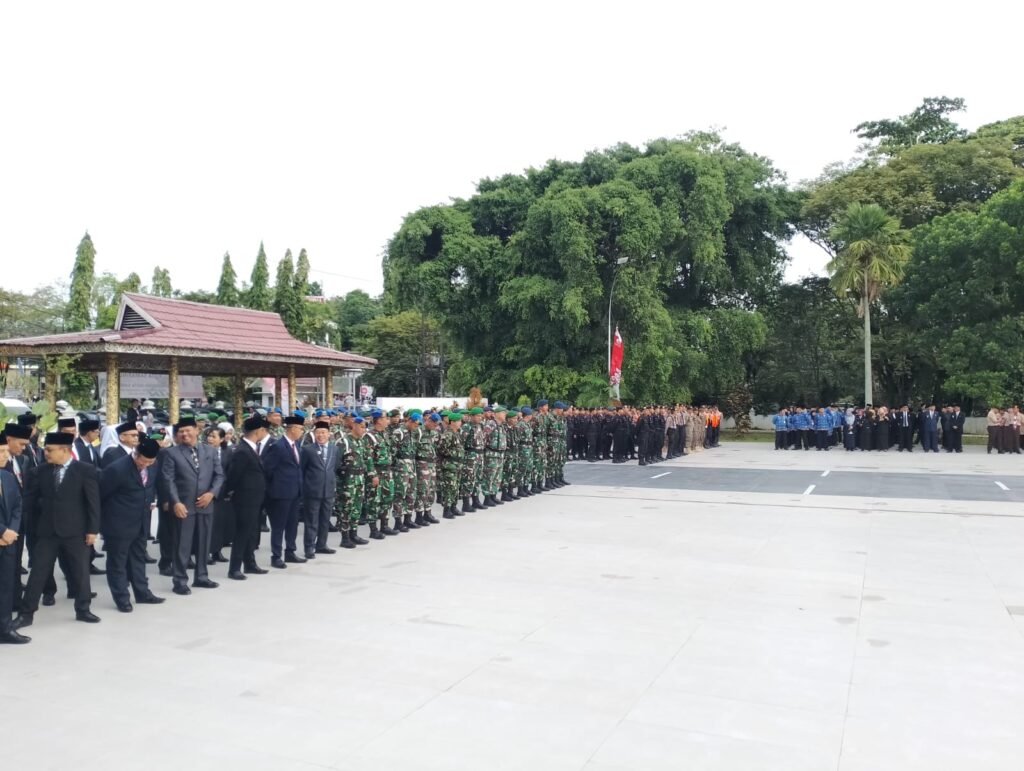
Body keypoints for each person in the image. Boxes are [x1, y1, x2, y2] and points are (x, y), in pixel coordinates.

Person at [14, 432, 101, 629]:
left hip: (76, 531)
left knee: (80, 572)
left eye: (50, 450)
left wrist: (93, 530)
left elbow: (93, 503)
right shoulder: (39, 472)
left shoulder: (85, 470)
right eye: (46, 449)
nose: (46, 453)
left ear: (65, 450)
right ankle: (26, 614)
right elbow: (29, 502)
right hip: (46, 532)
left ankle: (83, 609)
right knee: (38, 572)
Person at [99, 438, 166, 612]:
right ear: (135, 454)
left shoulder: (153, 465)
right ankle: (122, 598)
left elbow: (150, 487)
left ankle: (142, 593)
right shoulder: (117, 469)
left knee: (138, 559)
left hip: (141, 521)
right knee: (118, 562)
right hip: (118, 523)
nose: (145, 465)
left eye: (150, 462)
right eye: (142, 461)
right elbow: (101, 495)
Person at [161, 417, 224, 594]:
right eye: (181, 432)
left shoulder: (210, 451)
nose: (185, 434)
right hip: (184, 506)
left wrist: (211, 494)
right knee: (182, 544)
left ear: (197, 430)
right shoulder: (171, 453)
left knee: (204, 543)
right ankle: (180, 581)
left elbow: (219, 475)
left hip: (205, 504)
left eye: (188, 430)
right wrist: (176, 502)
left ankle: (202, 577)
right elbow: (168, 480)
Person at [223, 416, 269, 579]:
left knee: (250, 532)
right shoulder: (242, 450)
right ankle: (234, 568)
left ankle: (249, 563)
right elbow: (234, 475)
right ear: (259, 431)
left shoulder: (251, 448)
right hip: (245, 499)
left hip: (254, 499)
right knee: (242, 533)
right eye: (264, 430)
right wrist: (228, 493)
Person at [262, 413, 307, 568]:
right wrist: (273, 490)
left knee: (292, 524)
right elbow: (268, 469)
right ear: (293, 429)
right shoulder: (278, 446)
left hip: (295, 492)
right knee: (279, 526)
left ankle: (290, 551)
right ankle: (276, 556)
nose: (302, 431)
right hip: (280, 493)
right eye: (301, 429)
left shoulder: (297, 445)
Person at [0, 434, 28, 644]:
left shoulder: (7, 477)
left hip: (9, 542)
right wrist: (2, 531)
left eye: (6, 451)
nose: (5, 456)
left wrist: (11, 531)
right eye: (1, 452)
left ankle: (5, 628)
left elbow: (18, 506)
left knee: (6, 586)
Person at [299, 420, 338, 558]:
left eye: (323, 432)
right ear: (314, 434)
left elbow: (335, 468)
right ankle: (309, 547)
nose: (321, 435)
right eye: (318, 433)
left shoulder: (335, 448)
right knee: (311, 520)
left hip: (328, 490)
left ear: (329, 434)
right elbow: (302, 470)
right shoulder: (308, 449)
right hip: (312, 491)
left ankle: (322, 545)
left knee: (325, 519)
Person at [205, 427, 234, 564]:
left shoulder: (227, 452)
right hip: (206, 493)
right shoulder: (202, 451)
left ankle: (217, 550)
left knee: (219, 524)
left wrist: (229, 490)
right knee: (207, 524)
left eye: (213, 436)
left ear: (222, 439)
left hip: (222, 493)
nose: (210, 439)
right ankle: (205, 552)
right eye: (209, 436)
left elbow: (229, 471)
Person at [437, 411, 466, 518]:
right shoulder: (448, 434)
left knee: (455, 487)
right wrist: (455, 454)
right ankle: (447, 509)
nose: (460, 423)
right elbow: (441, 449)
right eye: (458, 421)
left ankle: (454, 507)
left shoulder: (457, 433)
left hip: (457, 464)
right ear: (452, 422)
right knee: (449, 487)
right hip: (450, 464)